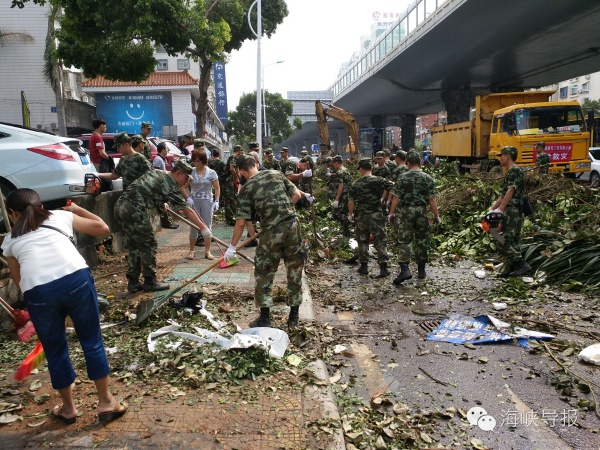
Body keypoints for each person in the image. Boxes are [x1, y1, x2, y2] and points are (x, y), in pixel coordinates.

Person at [1, 189, 127, 424]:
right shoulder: (59, 216)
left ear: (13, 213)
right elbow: (103, 227)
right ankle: (106, 402)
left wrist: (47, 300)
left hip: (39, 292)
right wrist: (76, 209)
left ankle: (69, 409)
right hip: (76, 280)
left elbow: (20, 281)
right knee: (91, 340)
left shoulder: (10, 241)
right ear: (41, 205)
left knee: (55, 350)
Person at [223, 155, 310, 329]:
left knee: (264, 272)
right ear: (256, 164)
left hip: (271, 233)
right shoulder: (277, 174)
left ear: (241, 171)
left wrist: (231, 248)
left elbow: (241, 222)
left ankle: (265, 318)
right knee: (294, 270)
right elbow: (296, 195)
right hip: (293, 227)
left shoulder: (246, 189)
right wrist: (283, 213)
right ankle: (293, 317)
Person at [114, 160, 212, 293]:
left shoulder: (158, 173)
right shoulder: (169, 183)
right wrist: (203, 228)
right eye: (186, 178)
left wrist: (161, 203)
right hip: (133, 209)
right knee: (148, 243)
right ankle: (150, 281)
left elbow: (147, 189)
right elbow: (188, 210)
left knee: (135, 245)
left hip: (120, 206)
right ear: (178, 173)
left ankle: (133, 282)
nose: (187, 182)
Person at [388, 151, 440, 284]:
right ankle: (421, 270)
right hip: (421, 211)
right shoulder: (427, 178)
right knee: (422, 239)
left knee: (405, 239)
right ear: (420, 162)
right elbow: (432, 199)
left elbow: (396, 197)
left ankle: (405, 269)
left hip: (406, 211)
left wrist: (391, 213)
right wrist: (436, 215)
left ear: (408, 163)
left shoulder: (403, 177)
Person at [489, 146, 531, 277]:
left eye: (501, 156)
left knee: (501, 239)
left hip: (512, 211)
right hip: (510, 210)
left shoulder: (515, 171)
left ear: (508, 156)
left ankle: (521, 264)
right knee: (513, 241)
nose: (500, 158)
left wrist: (500, 209)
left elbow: (511, 191)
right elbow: (502, 195)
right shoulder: (510, 172)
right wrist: (492, 209)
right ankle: (511, 269)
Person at [348, 158, 392, 277]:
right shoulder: (379, 180)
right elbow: (393, 187)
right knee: (380, 241)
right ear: (371, 168)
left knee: (362, 241)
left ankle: (364, 267)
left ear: (361, 170)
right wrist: (385, 199)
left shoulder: (356, 183)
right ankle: (383, 268)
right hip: (376, 215)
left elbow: (351, 201)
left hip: (362, 216)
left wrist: (350, 214)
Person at [187, 149, 219, 260]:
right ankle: (192, 250)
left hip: (207, 201)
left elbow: (217, 187)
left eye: (199, 161)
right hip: (194, 201)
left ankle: (207, 251)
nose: (196, 164)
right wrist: (187, 197)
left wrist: (217, 200)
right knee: (194, 227)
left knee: (207, 226)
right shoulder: (191, 171)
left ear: (203, 161)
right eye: (195, 161)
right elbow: (184, 185)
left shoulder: (211, 173)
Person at [330, 155, 352, 237]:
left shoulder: (340, 172)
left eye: (334, 164)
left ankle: (349, 227)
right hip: (348, 195)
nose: (333, 166)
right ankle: (346, 230)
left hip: (343, 196)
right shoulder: (346, 170)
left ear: (336, 163)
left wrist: (337, 199)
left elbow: (340, 186)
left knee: (337, 213)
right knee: (344, 212)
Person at [224, 145, 242, 226]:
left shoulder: (236, 158)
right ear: (239, 150)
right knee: (230, 199)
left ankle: (231, 217)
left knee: (231, 198)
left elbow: (236, 169)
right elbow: (232, 168)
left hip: (231, 180)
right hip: (229, 180)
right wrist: (236, 178)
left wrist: (238, 178)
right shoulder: (233, 157)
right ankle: (230, 219)